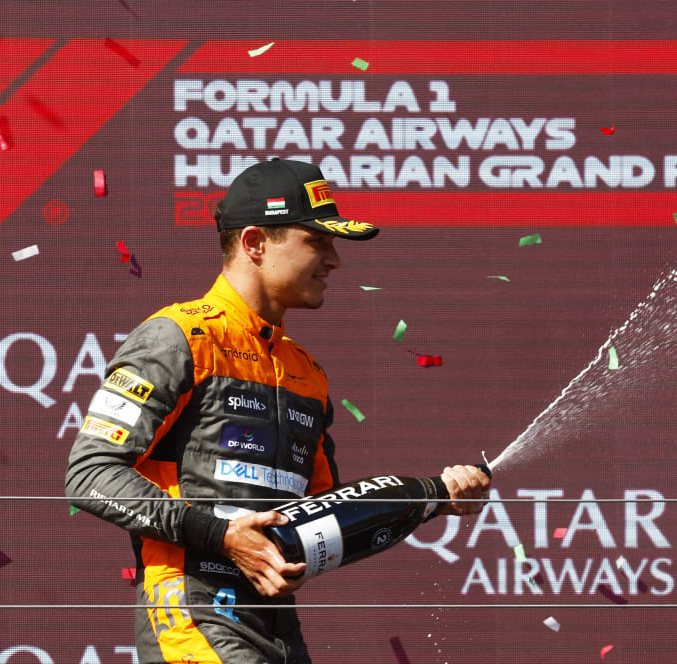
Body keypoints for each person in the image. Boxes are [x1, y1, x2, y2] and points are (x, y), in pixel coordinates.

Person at [65, 158, 492, 664]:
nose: (334, 261)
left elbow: (327, 511)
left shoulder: (305, 369)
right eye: (318, 241)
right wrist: (222, 535)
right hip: (191, 611)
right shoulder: (179, 336)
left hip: (277, 623)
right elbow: (89, 473)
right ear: (254, 243)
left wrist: (432, 500)